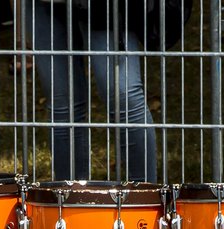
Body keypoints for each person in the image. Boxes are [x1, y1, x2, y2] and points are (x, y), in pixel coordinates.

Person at [24, 0, 157, 182]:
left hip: (105, 7)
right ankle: (69, 201)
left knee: (124, 97)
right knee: (63, 104)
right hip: (43, 5)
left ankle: (145, 200)